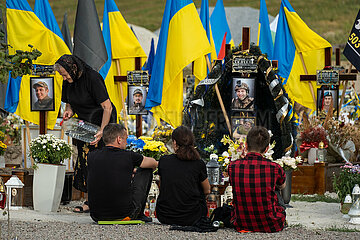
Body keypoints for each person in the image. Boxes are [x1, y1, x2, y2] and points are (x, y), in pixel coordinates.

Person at [54, 54, 117, 213]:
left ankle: (105, 201)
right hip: (84, 125)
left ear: (73, 68)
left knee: (101, 162)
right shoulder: (68, 80)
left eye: (65, 74)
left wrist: (102, 131)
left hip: (102, 122)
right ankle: (90, 201)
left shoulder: (93, 78)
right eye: (62, 75)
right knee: (85, 160)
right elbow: (69, 101)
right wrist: (69, 111)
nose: (64, 77)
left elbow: (107, 107)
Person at [87, 123, 157, 222]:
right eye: (126, 139)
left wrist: (129, 170)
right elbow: (152, 163)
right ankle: (139, 213)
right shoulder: (129, 156)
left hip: (96, 215)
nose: (127, 143)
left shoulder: (91, 156)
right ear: (119, 139)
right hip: (124, 214)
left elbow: (108, 170)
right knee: (146, 170)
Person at [229, 126, 286, 232]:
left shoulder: (233, 166)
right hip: (272, 223)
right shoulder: (274, 167)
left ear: (246, 145)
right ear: (267, 148)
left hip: (242, 222)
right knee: (276, 186)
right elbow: (283, 186)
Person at [156, 126, 211, 226]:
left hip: (165, 215)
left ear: (175, 143)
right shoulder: (198, 163)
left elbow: (163, 185)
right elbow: (207, 190)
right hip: (193, 216)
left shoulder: (164, 161)